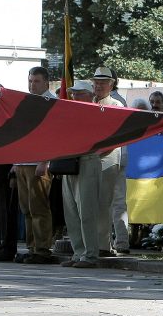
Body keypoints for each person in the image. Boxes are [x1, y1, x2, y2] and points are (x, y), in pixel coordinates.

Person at [13, 66, 57, 264]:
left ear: (46, 82)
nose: (32, 85)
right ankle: (32, 247)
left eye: (36, 81)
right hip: (24, 161)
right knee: (27, 208)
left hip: (39, 162)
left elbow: (52, 135)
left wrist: (45, 161)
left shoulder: (52, 103)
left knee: (39, 207)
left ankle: (43, 248)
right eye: (30, 81)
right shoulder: (27, 101)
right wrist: (15, 162)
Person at [60, 80, 100, 268]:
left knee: (87, 210)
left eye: (80, 93)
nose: (75, 96)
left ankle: (91, 254)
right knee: (71, 211)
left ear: (90, 95)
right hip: (69, 162)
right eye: (74, 93)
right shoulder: (69, 113)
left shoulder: (96, 112)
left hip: (87, 161)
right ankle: (78, 252)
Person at [92, 66, 126, 256]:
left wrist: (98, 150)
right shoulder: (90, 102)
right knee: (92, 203)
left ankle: (104, 245)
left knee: (105, 203)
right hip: (91, 158)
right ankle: (94, 243)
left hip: (109, 158)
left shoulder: (116, 105)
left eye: (103, 82)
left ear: (111, 84)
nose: (98, 85)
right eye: (96, 82)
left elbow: (116, 137)